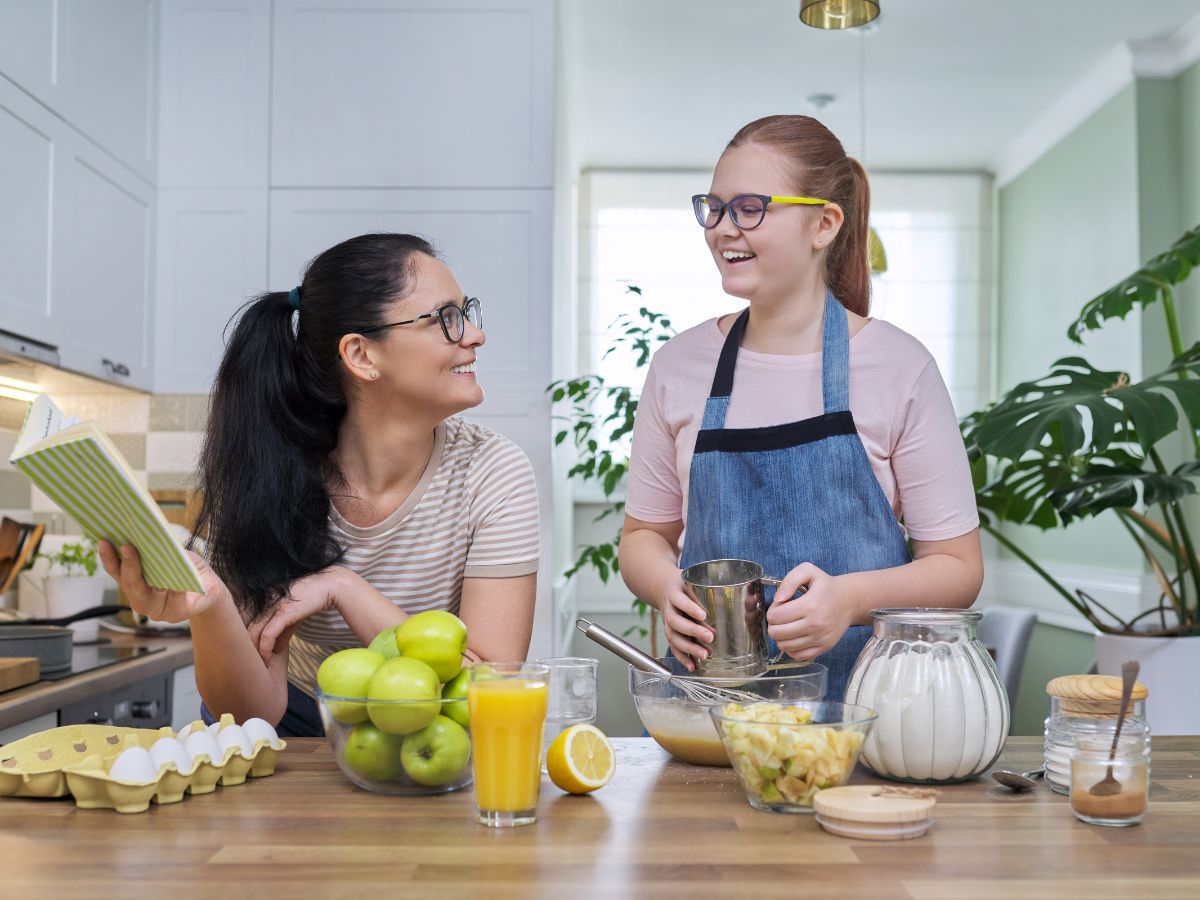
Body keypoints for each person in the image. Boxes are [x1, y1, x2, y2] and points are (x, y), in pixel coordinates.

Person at [100, 233, 540, 736]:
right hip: (291, 732)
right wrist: (211, 603)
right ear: (361, 355)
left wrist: (344, 588)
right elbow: (251, 712)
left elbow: (489, 689)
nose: (475, 336)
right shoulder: (270, 468)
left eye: (467, 313)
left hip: (432, 728)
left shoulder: (493, 472)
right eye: (446, 319)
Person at [618, 116, 982, 699]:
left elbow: (959, 568)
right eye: (713, 208)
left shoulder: (900, 366)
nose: (721, 229)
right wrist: (668, 588)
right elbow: (642, 537)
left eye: (749, 207)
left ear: (824, 224)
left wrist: (851, 601)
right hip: (708, 723)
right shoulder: (678, 366)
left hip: (864, 725)